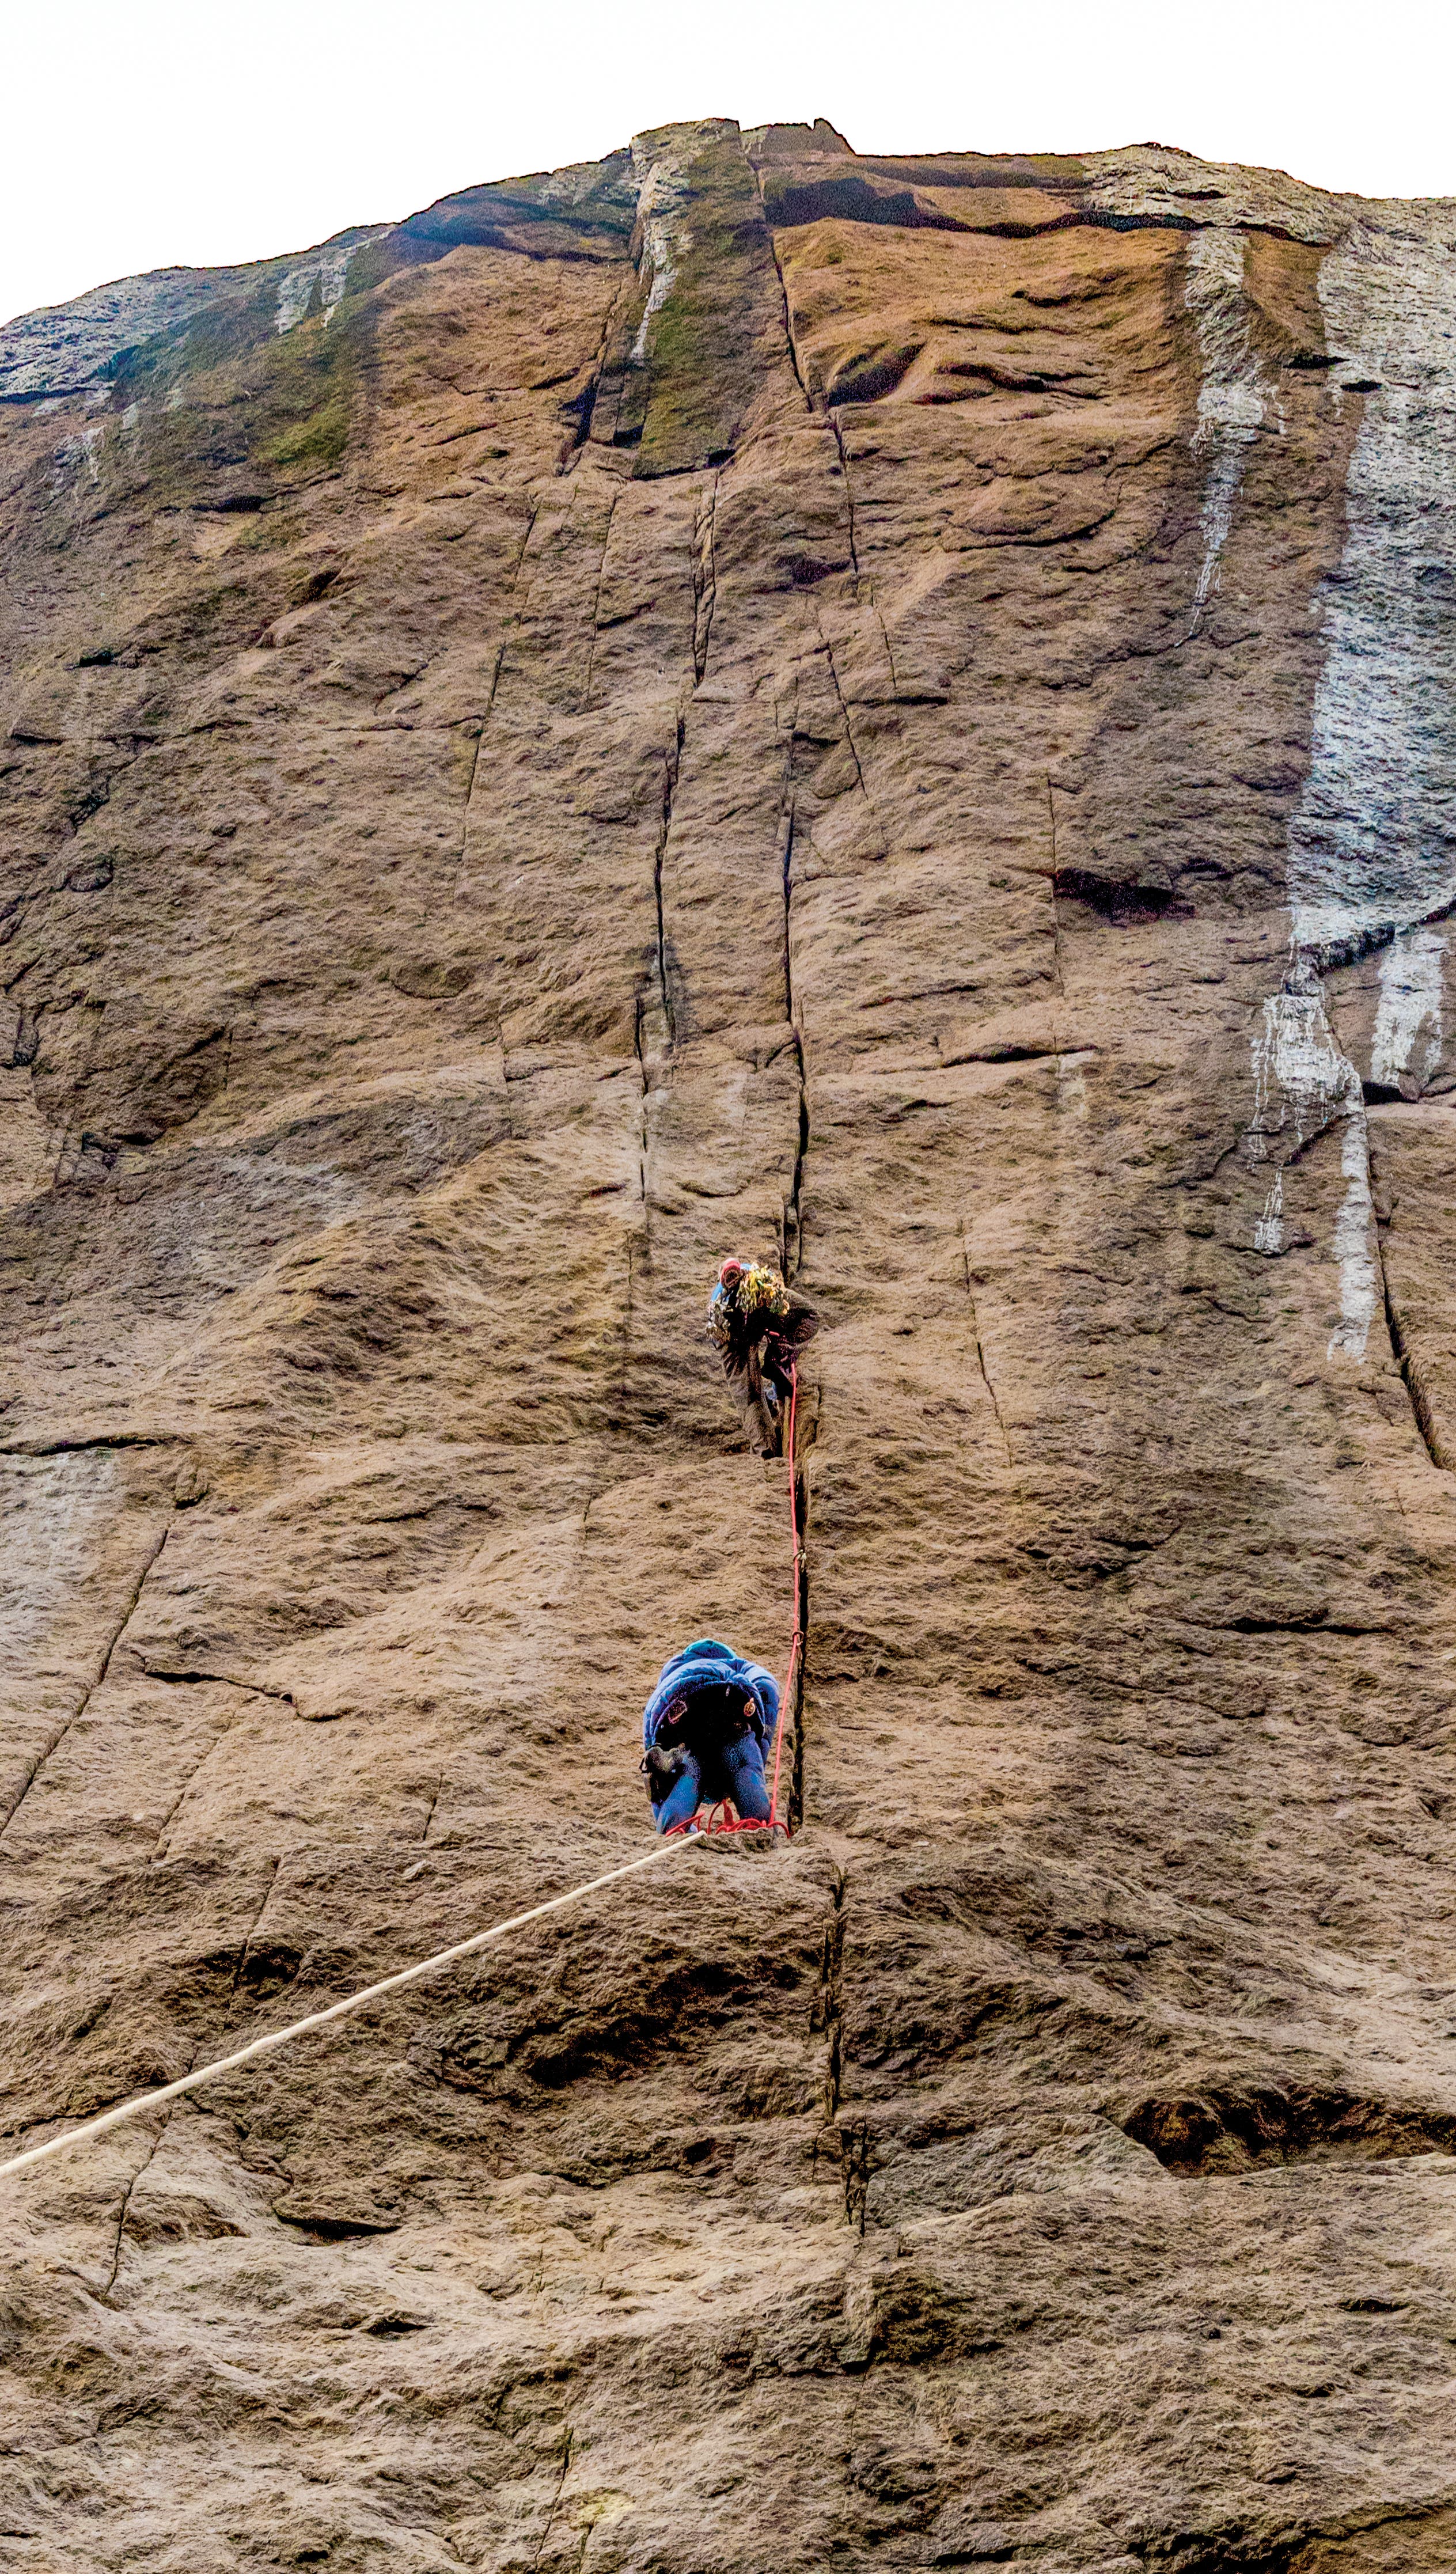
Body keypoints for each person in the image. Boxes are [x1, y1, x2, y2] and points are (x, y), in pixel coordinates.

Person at [640, 1637, 780, 1833]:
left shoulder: (671, 1677)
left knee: (689, 1768)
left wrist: (661, 1802)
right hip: (728, 1698)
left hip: (675, 1709)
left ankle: (674, 1830)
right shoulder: (736, 1666)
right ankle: (760, 1827)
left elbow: (652, 1756)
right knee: (743, 1761)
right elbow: (767, 1683)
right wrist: (758, 1750)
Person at [707, 1256, 819, 1457]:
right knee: (751, 1395)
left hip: (746, 1326)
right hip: (738, 1332)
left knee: (751, 1399)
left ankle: (765, 1452)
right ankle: (778, 1357)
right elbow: (804, 1312)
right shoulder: (748, 1287)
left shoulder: (750, 1287)